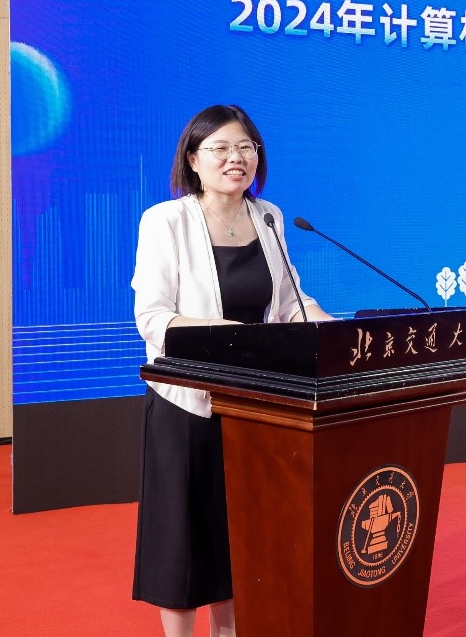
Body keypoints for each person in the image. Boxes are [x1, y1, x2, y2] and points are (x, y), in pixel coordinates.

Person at [131, 104, 331, 637]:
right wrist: (226, 334)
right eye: (219, 148)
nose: (235, 158)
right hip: (188, 403)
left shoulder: (268, 217)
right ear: (193, 160)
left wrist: (328, 326)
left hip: (254, 403)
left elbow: (288, 303)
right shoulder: (166, 220)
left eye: (245, 147)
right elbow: (152, 317)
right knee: (182, 540)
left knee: (240, 536)